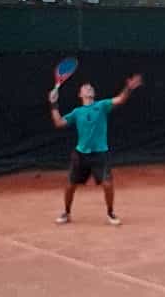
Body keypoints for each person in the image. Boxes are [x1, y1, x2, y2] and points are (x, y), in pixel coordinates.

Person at [48, 73, 143, 224]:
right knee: (70, 185)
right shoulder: (77, 112)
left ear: (94, 93)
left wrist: (128, 88)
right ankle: (66, 213)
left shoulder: (102, 105)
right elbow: (59, 122)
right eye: (85, 88)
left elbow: (120, 99)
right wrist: (53, 104)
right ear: (80, 95)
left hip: (100, 154)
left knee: (107, 184)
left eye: (90, 88)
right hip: (81, 154)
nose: (89, 88)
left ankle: (110, 213)